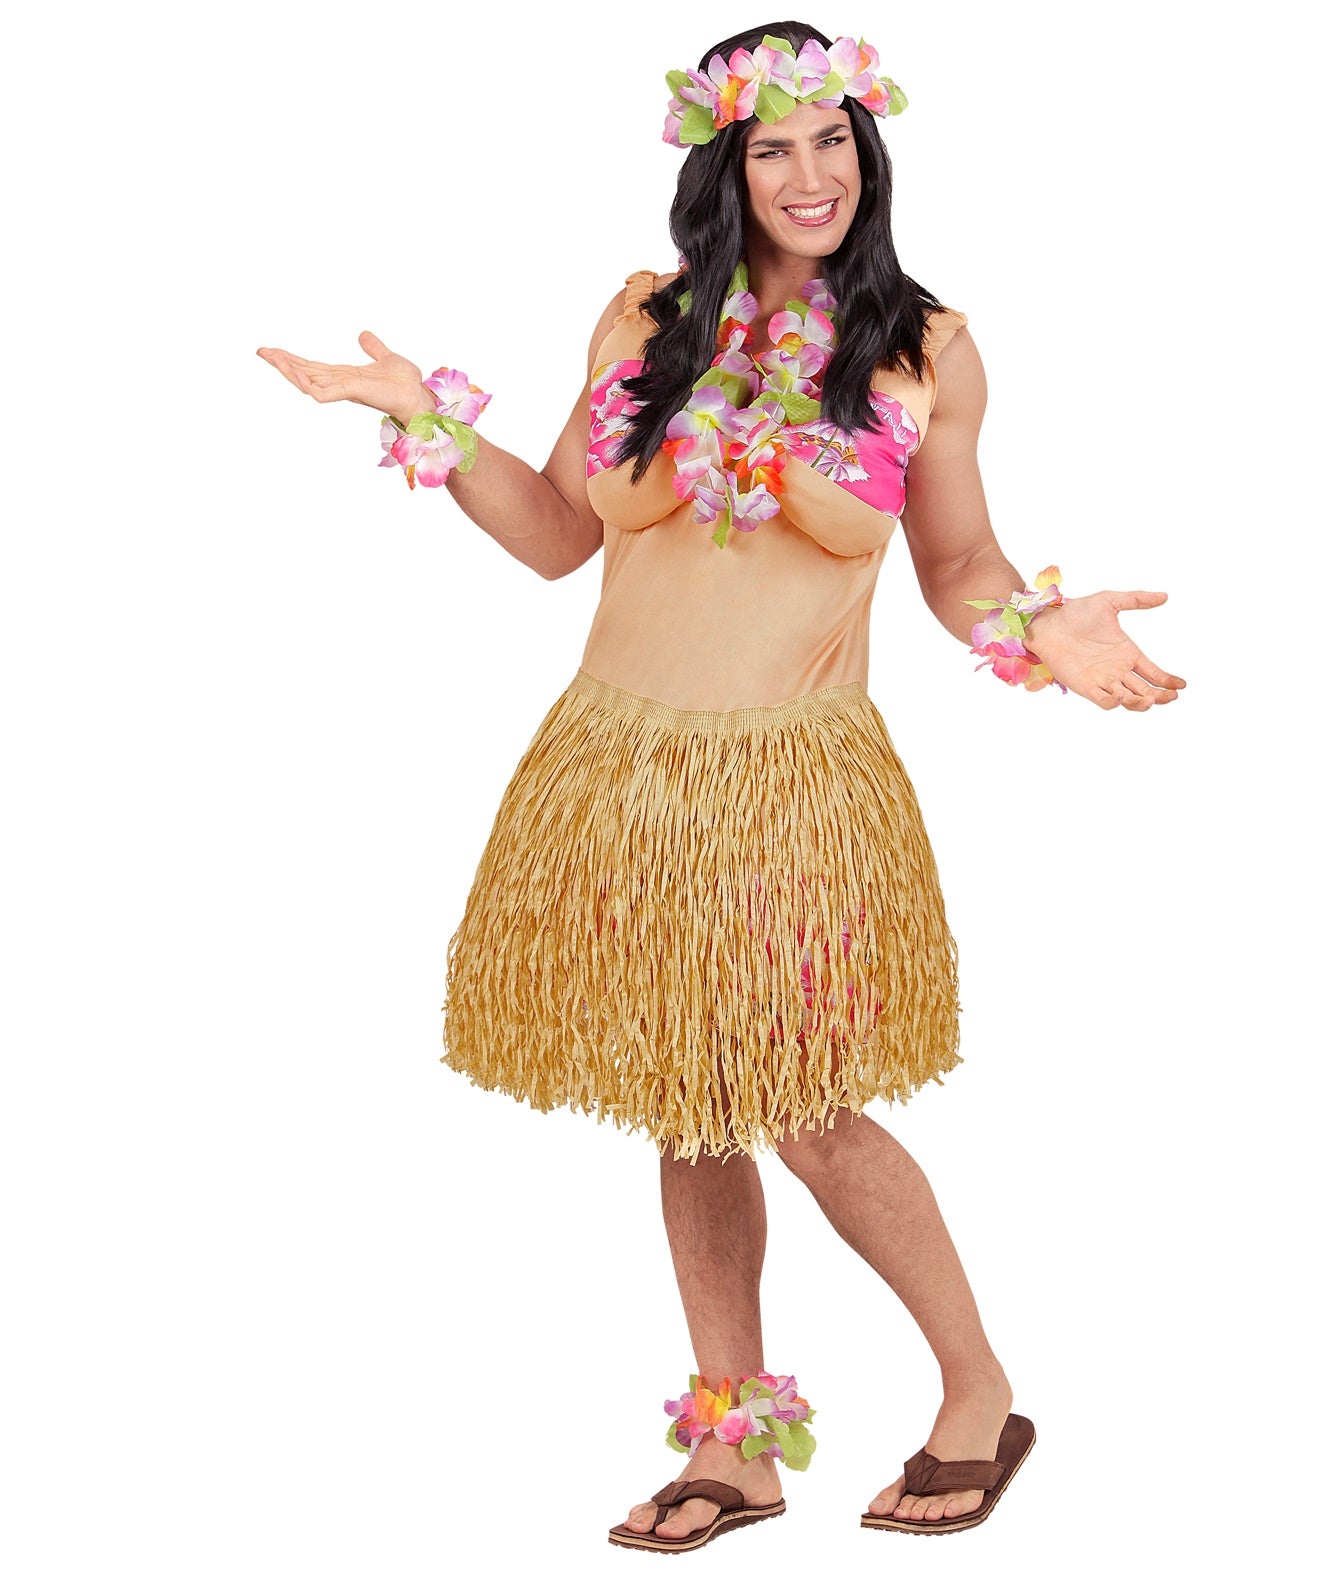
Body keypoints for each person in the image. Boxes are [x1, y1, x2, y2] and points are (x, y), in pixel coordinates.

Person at [257, 20, 1185, 1553]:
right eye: (772, 147)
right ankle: (731, 1437)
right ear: (723, 164)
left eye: (832, 141)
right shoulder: (645, 317)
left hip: (791, 781)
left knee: (808, 1111)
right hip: (616, 770)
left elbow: (955, 559)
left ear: (864, 149)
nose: (810, 174)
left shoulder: (922, 348)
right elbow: (559, 534)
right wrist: (426, 417)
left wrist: (1035, 628)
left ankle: (977, 1390)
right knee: (687, 1107)